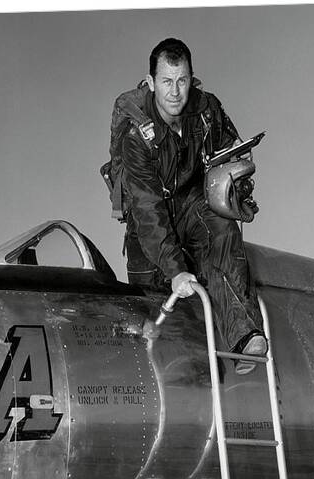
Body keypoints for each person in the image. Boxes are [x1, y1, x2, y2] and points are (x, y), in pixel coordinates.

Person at [110, 37, 266, 374]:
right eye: (166, 81)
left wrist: (237, 181)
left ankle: (245, 336)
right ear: (151, 83)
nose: (175, 92)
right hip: (148, 219)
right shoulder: (136, 136)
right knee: (154, 303)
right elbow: (148, 210)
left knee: (221, 230)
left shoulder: (206, 110)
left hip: (191, 202)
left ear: (192, 78)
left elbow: (232, 151)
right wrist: (175, 268)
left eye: (182, 81)